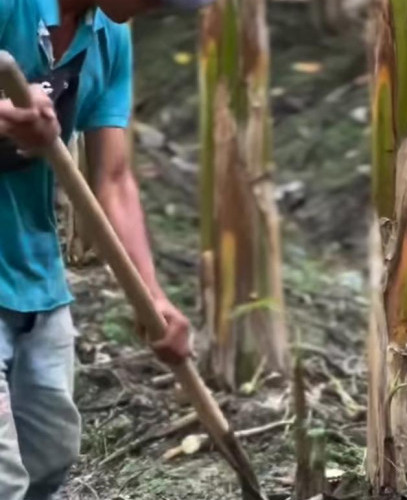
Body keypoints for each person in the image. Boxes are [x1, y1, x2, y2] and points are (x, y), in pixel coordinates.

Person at [0, 0, 213, 498]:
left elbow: (113, 178)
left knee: (48, 460)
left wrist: (153, 297)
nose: (154, 9)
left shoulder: (108, 38)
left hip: (33, 278)